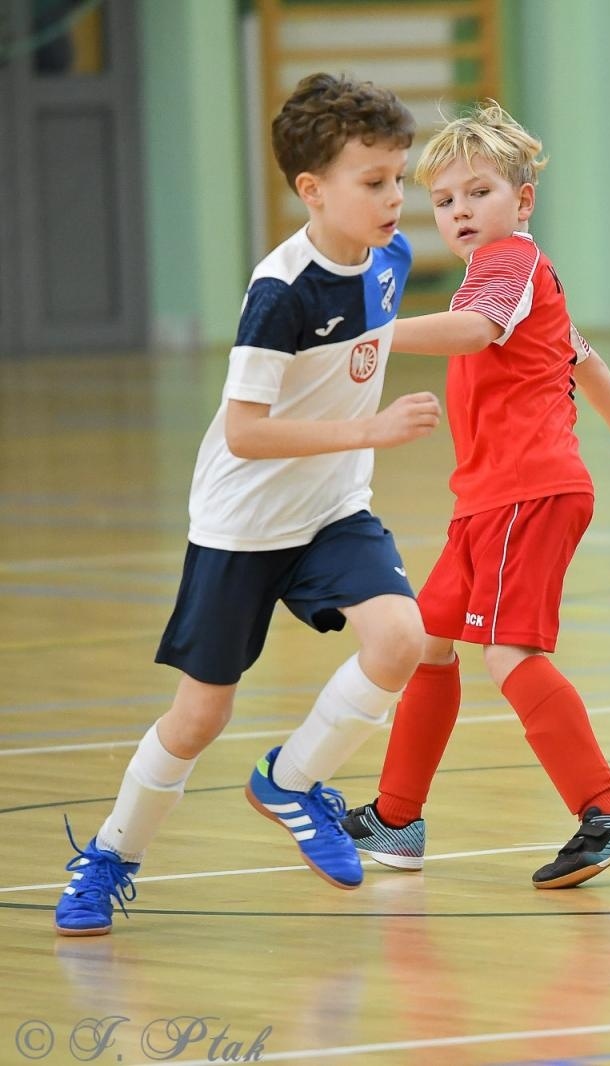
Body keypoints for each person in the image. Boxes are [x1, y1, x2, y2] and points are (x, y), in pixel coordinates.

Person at [54, 74, 439, 935]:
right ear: (312, 189)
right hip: (243, 523)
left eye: (399, 178)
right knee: (201, 715)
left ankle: (291, 780)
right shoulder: (280, 292)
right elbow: (245, 433)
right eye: (373, 182)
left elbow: (378, 338)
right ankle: (110, 855)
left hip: (333, 511)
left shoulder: (392, 260)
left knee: (403, 638)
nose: (394, 198)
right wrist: (370, 429)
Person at [339, 103, 610, 888]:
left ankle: (609, 810)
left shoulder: (508, 266)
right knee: (432, 640)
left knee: (509, 652)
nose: (461, 211)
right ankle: (397, 819)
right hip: (487, 500)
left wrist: (370, 333)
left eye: (479, 192)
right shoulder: (509, 275)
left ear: (521, 202)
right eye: (447, 200)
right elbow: (583, 360)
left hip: (526, 493)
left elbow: (470, 334)